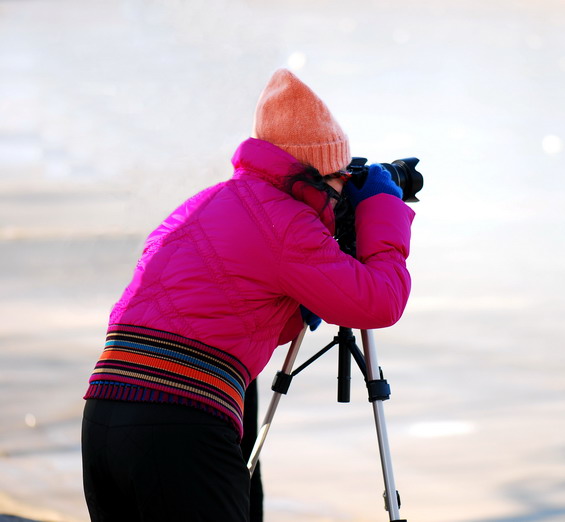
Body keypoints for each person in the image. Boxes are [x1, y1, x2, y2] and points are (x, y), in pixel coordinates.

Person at [80, 68, 414, 522]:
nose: (344, 193)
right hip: (179, 427)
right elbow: (381, 301)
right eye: (342, 176)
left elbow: (223, 316)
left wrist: (301, 305)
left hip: (103, 417)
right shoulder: (287, 223)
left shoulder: (209, 202)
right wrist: (380, 207)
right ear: (313, 177)